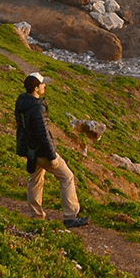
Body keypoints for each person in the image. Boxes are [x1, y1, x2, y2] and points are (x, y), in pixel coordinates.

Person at [14, 72, 87, 228]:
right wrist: (52, 155)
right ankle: (70, 216)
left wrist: (24, 150)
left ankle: (36, 215)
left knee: (35, 181)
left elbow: (22, 129)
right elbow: (43, 133)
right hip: (42, 152)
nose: (44, 86)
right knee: (67, 176)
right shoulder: (37, 107)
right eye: (42, 84)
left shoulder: (21, 102)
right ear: (36, 87)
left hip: (30, 151)